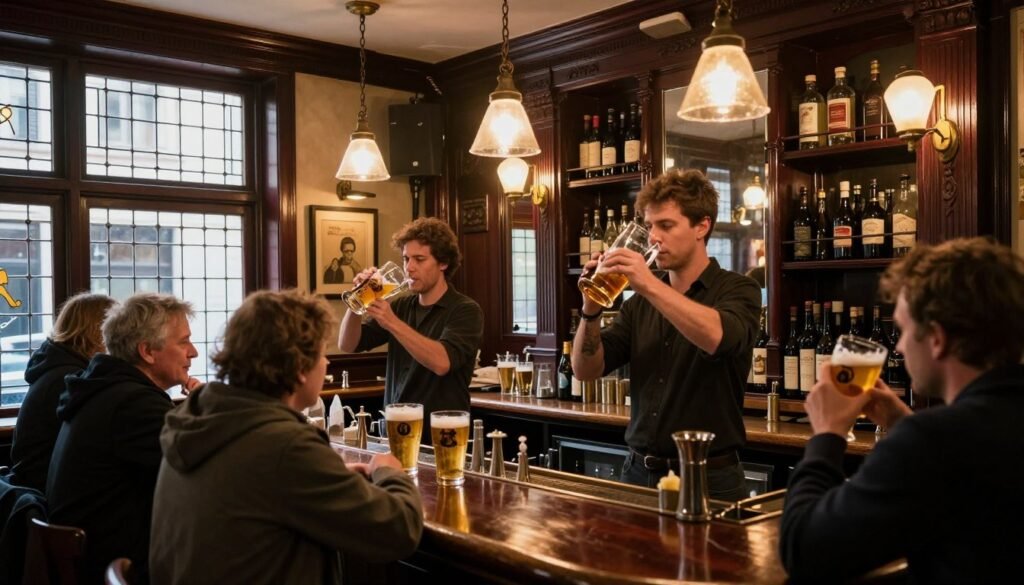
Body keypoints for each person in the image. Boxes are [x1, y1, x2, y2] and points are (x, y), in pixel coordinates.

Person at [779, 238, 1024, 583]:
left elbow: (805, 551)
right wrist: (903, 423)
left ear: (937, 338)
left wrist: (827, 434)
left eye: (904, 330)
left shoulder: (932, 441)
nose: (898, 346)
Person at [149, 289, 422, 585]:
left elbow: (259, 485)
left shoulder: (197, 419)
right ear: (299, 367)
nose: (327, 363)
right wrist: (389, 473)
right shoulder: (284, 445)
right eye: (321, 353)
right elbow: (397, 531)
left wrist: (329, 477)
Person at [571, 169, 760, 500]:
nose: (654, 237)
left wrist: (646, 284)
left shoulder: (739, 288)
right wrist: (591, 308)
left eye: (667, 225)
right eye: (649, 226)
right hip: (639, 472)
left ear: (702, 226)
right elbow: (585, 370)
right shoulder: (639, 305)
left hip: (709, 477)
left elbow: (718, 337)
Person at [46, 292, 200, 584]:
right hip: (115, 566)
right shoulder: (132, 404)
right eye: (184, 341)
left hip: (95, 555)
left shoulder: (107, 389)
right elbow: (198, 474)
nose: (193, 352)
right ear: (147, 351)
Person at [338, 217, 483, 434]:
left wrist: (392, 322)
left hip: (440, 435)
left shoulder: (465, 309)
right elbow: (348, 344)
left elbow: (442, 362)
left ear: (443, 263)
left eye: (419, 259)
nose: (409, 268)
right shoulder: (402, 305)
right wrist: (357, 300)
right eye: (406, 259)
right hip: (395, 430)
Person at [8, 292, 116, 492]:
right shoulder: (71, 378)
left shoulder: (55, 366)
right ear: (99, 330)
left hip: (33, 486)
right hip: (48, 493)